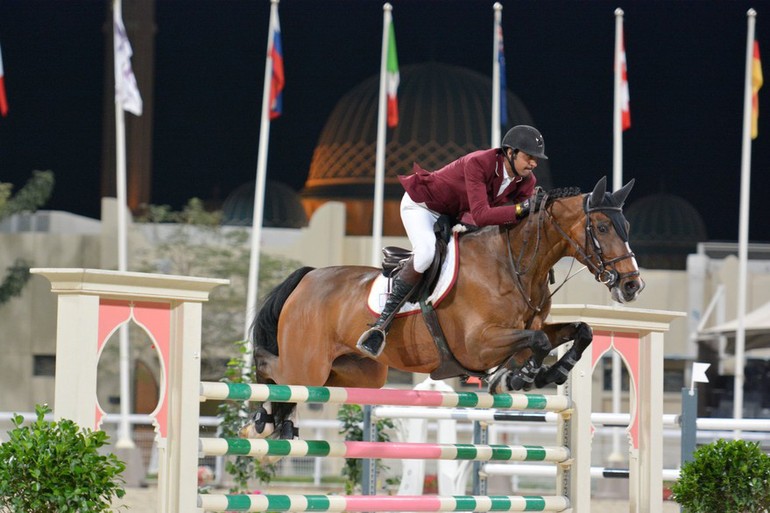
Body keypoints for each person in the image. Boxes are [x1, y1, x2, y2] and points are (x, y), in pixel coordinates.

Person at [356, 124, 548, 358]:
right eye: (529, 157)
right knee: (426, 252)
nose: (533, 164)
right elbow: (482, 214)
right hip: (422, 206)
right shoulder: (479, 163)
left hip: (453, 216)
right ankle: (381, 324)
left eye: (536, 159)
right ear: (510, 152)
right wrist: (521, 208)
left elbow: (523, 216)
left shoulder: (526, 180)